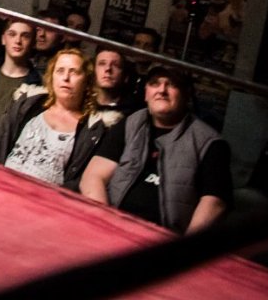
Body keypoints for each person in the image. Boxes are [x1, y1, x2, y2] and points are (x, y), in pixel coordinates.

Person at [80, 63, 231, 233]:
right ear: (146, 92)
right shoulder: (129, 125)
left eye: (172, 84)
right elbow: (93, 176)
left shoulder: (209, 142)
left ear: (186, 94)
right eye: (155, 83)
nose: (162, 90)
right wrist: (104, 221)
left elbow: (214, 202)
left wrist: (184, 246)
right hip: (112, 227)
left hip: (164, 238)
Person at [0, 48, 125, 191]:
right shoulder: (28, 104)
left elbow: (81, 181)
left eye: (74, 72)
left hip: (45, 200)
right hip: (1, 186)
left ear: (87, 81)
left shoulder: (92, 129)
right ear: (52, 77)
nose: (66, 78)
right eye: (60, 71)